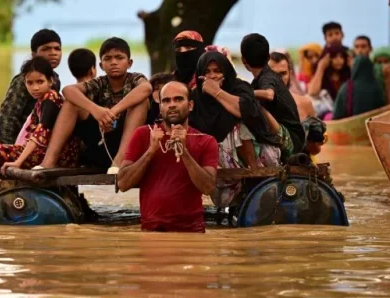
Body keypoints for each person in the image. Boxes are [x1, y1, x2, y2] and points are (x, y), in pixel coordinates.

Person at [38, 37, 152, 172]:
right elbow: (68, 90)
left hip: (128, 144)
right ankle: (48, 162)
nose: (113, 62)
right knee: (72, 103)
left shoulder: (135, 79)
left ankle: (119, 163)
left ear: (129, 63)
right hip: (101, 141)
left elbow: (146, 88)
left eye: (119, 57)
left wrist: (113, 111)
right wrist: (96, 110)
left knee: (141, 102)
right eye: (108, 58)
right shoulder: (99, 83)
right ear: (101, 65)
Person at [117, 81, 218, 232]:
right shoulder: (143, 134)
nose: (172, 104)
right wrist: (151, 150)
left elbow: (208, 187)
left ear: (190, 106)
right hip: (152, 230)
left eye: (178, 99)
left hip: (192, 232)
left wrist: (184, 151)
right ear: (160, 107)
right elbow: (123, 183)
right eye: (166, 100)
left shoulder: (206, 140)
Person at [0, 57, 81, 170]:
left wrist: (18, 162)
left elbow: (40, 134)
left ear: (51, 81)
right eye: (30, 83)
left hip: (58, 156)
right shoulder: (40, 102)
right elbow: (28, 134)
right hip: (41, 152)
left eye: (40, 82)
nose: (35, 88)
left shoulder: (51, 97)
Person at [190, 51, 280, 169]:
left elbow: (243, 110)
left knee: (236, 126)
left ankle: (253, 170)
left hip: (258, 157)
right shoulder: (195, 97)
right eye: (207, 72)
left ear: (226, 71)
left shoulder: (240, 87)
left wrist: (216, 92)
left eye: (217, 71)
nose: (212, 76)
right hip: (213, 161)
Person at [240, 34, 305, 160]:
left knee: (251, 104)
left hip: (293, 141)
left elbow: (269, 94)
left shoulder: (268, 76)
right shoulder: (258, 81)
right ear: (268, 57)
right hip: (286, 137)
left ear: (243, 60)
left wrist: (245, 94)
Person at [0, 29, 63, 144]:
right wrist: (6, 147)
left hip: (41, 140)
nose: (53, 53)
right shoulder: (23, 80)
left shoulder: (55, 79)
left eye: (57, 48)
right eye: (46, 49)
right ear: (34, 54)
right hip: (20, 141)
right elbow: (6, 117)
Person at [269, 52, 316, 120]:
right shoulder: (257, 106)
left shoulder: (305, 103)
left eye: (283, 73)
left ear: (290, 74)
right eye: (274, 74)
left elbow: (315, 129)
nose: (279, 79)